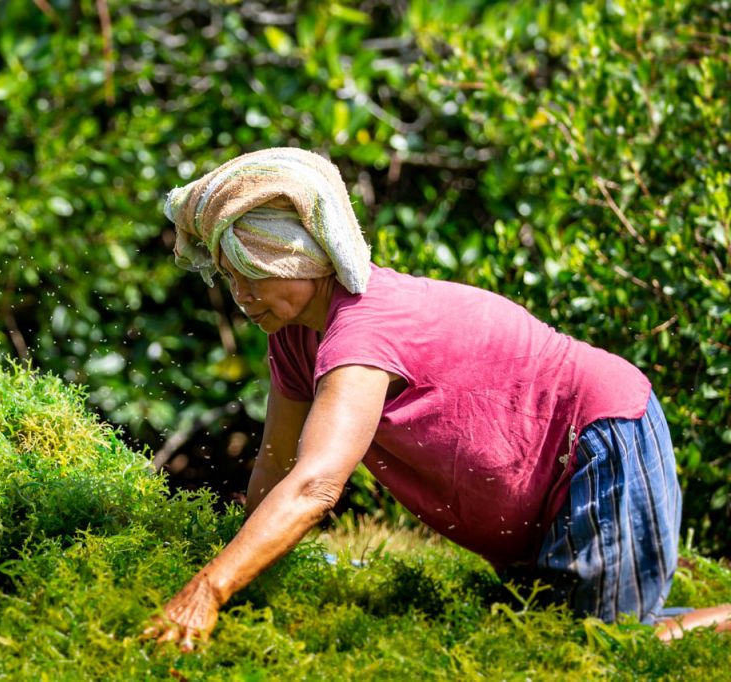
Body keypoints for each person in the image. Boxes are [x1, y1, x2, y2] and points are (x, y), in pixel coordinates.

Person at [143, 147, 731, 651]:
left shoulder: (363, 333)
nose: (242, 294)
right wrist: (251, 586)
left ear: (305, 257)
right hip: (542, 484)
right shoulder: (294, 338)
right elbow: (275, 465)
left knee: (607, 648)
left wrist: (209, 590)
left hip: (598, 440)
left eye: (256, 272)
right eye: (229, 276)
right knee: (545, 642)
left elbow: (316, 485)